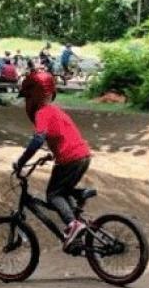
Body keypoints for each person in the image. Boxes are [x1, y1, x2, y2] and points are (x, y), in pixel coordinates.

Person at [13, 73, 92, 251]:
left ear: (33, 96)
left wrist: (21, 161)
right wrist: (50, 154)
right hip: (83, 155)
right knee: (64, 191)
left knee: (54, 195)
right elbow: (63, 136)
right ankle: (78, 226)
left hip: (69, 159)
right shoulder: (57, 111)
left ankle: (73, 225)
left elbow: (38, 139)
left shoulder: (42, 112)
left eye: (27, 97)